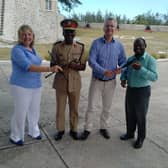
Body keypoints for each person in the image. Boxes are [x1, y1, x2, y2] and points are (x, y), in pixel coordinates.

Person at [9, 25, 62, 146]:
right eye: (24, 34)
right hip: (21, 86)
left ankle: (33, 131)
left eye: (29, 34)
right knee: (20, 112)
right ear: (19, 37)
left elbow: (38, 62)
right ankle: (16, 135)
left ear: (33, 36)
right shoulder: (17, 50)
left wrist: (54, 64)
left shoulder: (33, 49)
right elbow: (28, 67)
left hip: (36, 85)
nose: (27, 37)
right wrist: (50, 68)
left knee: (34, 110)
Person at [80, 18, 127, 140]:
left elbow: (123, 61)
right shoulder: (96, 43)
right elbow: (91, 61)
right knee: (91, 106)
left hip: (111, 82)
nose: (109, 28)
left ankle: (103, 127)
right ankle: (87, 129)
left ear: (115, 28)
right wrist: (103, 71)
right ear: (103, 27)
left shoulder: (119, 46)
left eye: (112, 26)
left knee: (107, 107)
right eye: (107, 26)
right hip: (97, 81)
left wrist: (120, 69)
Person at [50, 19, 86, 141]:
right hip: (61, 82)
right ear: (63, 33)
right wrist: (56, 67)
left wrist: (75, 66)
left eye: (72, 33)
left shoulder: (80, 48)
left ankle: (74, 129)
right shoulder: (56, 47)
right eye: (67, 33)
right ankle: (60, 130)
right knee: (60, 108)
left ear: (75, 34)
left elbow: (83, 66)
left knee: (74, 108)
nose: (69, 35)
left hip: (75, 83)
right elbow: (52, 64)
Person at [120, 38, 158, 149]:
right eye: (136, 46)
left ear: (145, 46)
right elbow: (125, 70)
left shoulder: (150, 60)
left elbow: (154, 77)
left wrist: (141, 69)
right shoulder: (131, 59)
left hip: (143, 91)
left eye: (140, 46)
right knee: (130, 113)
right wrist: (123, 78)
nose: (138, 48)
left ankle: (141, 138)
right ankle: (130, 133)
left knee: (140, 116)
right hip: (131, 90)